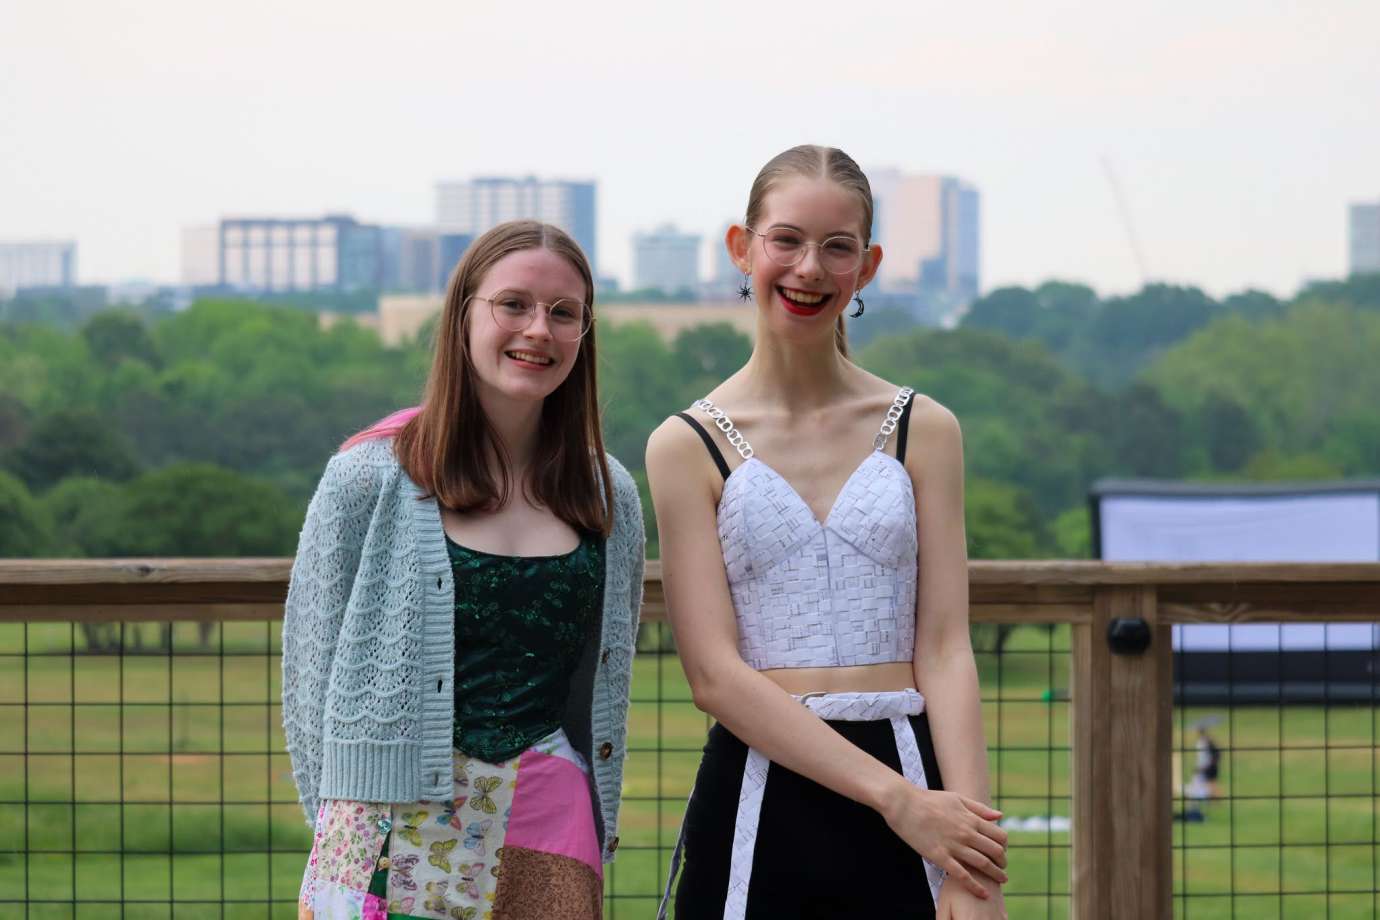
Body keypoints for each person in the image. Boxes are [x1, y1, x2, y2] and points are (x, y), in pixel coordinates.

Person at [646, 145, 1007, 920]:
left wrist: (973, 868)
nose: (810, 268)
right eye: (786, 240)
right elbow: (714, 675)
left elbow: (945, 648)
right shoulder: (684, 444)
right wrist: (894, 800)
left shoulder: (926, 429)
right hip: (757, 801)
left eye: (837, 247)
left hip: (919, 796)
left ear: (867, 266)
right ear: (742, 248)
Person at [282, 220, 645, 920]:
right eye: (513, 304)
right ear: (463, 317)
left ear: (584, 333)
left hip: (549, 817)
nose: (538, 329)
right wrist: (335, 823)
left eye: (563, 313)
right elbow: (309, 672)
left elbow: (607, 677)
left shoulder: (608, 494)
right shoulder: (367, 478)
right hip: (380, 820)